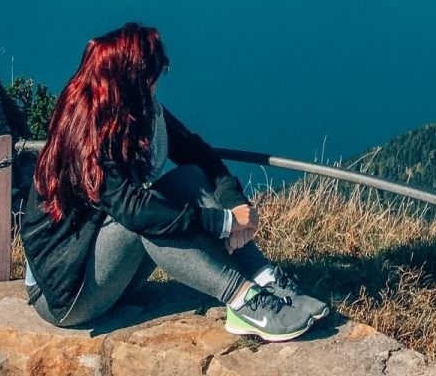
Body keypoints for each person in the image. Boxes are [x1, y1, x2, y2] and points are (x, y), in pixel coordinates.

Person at [21, 23, 329, 340]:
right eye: (156, 70)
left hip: (106, 269)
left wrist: (235, 202)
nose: (159, 77)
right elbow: (137, 213)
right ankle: (242, 301)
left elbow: (194, 152)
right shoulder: (87, 134)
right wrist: (223, 222)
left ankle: (262, 276)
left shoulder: (131, 109)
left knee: (190, 178)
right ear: (134, 77)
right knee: (146, 219)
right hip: (65, 295)